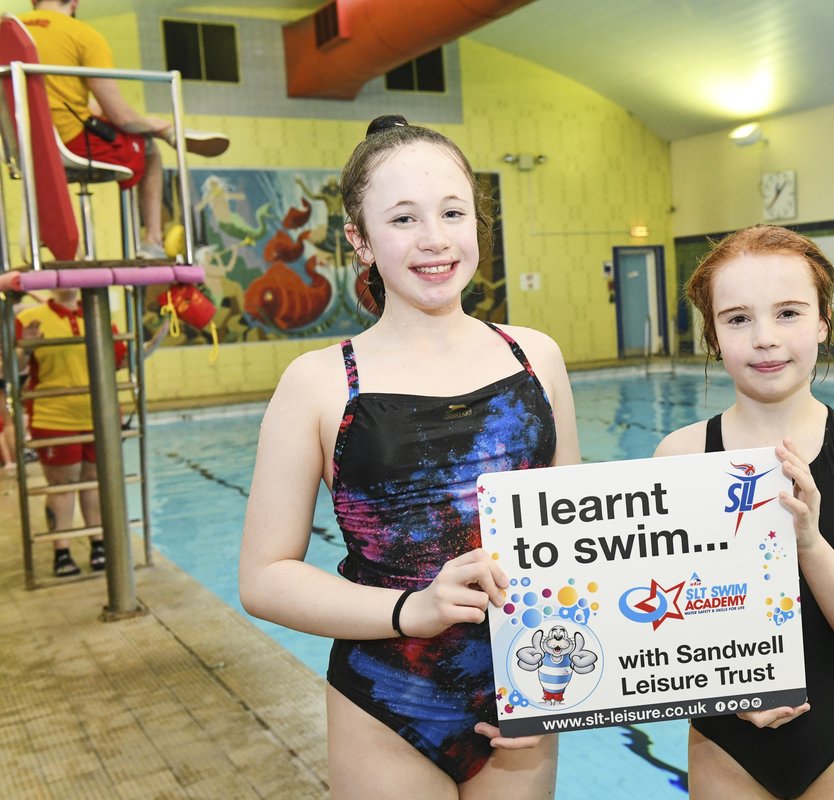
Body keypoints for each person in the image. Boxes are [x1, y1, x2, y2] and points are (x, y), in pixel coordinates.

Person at [239, 116, 580, 798]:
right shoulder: (320, 383)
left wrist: (568, 691)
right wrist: (410, 611)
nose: (434, 239)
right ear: (358, 240)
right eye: (402, 218)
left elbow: (572, 540)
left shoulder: (535, 357)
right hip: (389, 699)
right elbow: (264, 577)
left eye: (452, 212)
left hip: (527, 693)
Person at [655, 225, 834, 799]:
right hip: (726, 748)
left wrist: (811, 543)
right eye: (738, 318)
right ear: (713, 335)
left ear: (823, 320)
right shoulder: (681, 455)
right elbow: (665, 640)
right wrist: (730, 696)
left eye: (788, 313)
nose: (765, 338)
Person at [20, 0, 175, 258]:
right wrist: (153, 125)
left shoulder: (10, 31)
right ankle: (152, 241)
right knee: (148, 149)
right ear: (75, 2)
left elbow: (47, 97)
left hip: (22, 147)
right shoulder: (83, 35)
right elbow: (122, 117)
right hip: (69, 142)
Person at [15, 287, 127, 575]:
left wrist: (152, 342)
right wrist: (25, 347)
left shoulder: (99, 315)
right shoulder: (30, 318)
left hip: (99, 416)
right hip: (54, 418)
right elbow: (13, 370)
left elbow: (118, 362)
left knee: (93, 481)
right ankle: (61, 551)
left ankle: (99, 544)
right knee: (63, 486)